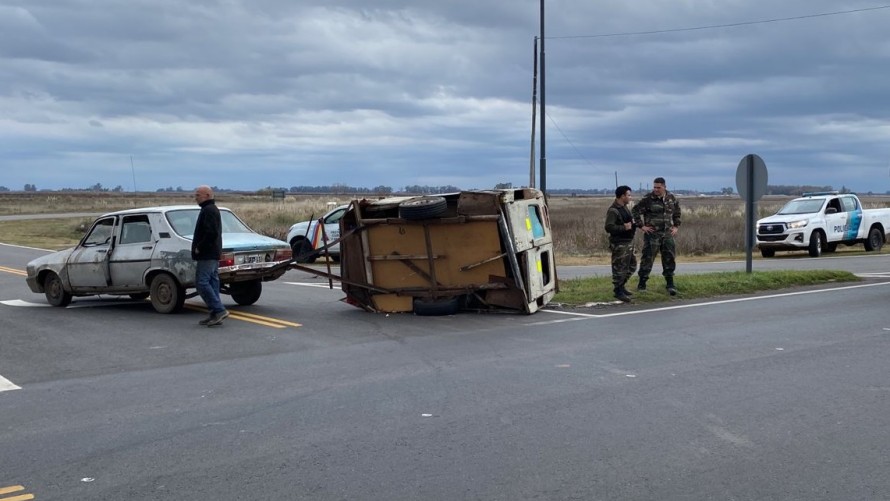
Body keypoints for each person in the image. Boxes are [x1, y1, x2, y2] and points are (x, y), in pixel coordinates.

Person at [632, 177, 681, 295]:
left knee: (669, 258)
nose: (656, 190)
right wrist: (641, 226)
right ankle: (642, 284)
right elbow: (635, 211)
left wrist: (676, 227)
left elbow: (677, 213)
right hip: (652, 234)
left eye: (658, 187)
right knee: (647, 259)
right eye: (654, 187)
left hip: (667, 234)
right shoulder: (648, 199)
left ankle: (670, 284)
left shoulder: (671, 198)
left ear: (664, 187)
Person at [192, 185, 229, 326]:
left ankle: (219, 310)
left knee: (202, 283)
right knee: (213, 282)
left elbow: (211, 233)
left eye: (198, 195)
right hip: (212, 252)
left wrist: (199, 247)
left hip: (207, 253)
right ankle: (214, 313)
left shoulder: (209, 210)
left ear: (207, 195)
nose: (195, 198)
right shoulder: (209, 209)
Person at [604, 185, 637, 302]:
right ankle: (618, 290)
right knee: (619, 267)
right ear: (622, 196)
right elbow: (609, 227)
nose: (630, 197)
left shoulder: (624, 207)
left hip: (628, 242)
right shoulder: (613, 210)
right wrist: (624, 227)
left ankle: (622, 285)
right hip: (620, 244)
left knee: (632, 265)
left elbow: (628, 221)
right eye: (628, 195)